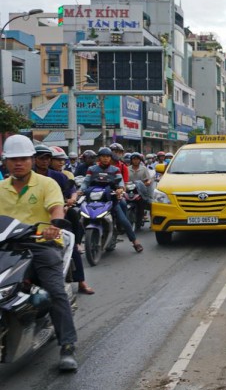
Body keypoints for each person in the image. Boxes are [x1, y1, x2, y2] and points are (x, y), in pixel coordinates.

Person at [0, 135, 79, 371]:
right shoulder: (1, 188)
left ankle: (67, 346)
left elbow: (56, 207)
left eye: (23, 158)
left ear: (32, 160)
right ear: (6, 162)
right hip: (7, 244)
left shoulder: (47, 184)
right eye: (13, 159)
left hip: (41, 243)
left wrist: (55, 223)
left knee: (55, 291)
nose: (18, 163)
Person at [47, 147, 94, 295]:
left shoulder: (63, 175)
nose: (61, 162)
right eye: (57, 159)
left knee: (71, 241)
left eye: (62, 160)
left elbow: (72, 191)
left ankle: (81, 281)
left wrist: (70, 201)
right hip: (35, 218)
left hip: (60, 213)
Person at [79, 147, 143, 253]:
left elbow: (120, 182)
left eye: (107, 157)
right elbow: (86, 182)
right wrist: (80, 190)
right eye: (103, 156)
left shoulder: (115, 170)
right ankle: (77, 243)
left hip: (110, 199)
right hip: (93, 199)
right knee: (81, 217)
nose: (105, 159)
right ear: (99, 158)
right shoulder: (92, 169)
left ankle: (135, 242)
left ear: (110, 158)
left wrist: (120, 189)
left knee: (123, 220)